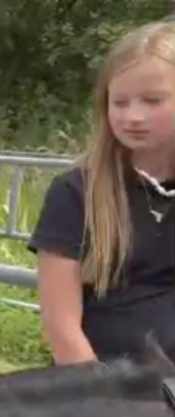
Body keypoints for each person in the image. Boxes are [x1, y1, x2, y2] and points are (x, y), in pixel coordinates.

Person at [29, 20, 175, 366]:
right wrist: (107, 402)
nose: (133, 116)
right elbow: (60, 325)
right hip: (98, 394)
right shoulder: (75, 192)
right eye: (119, 102)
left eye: (152, 100)